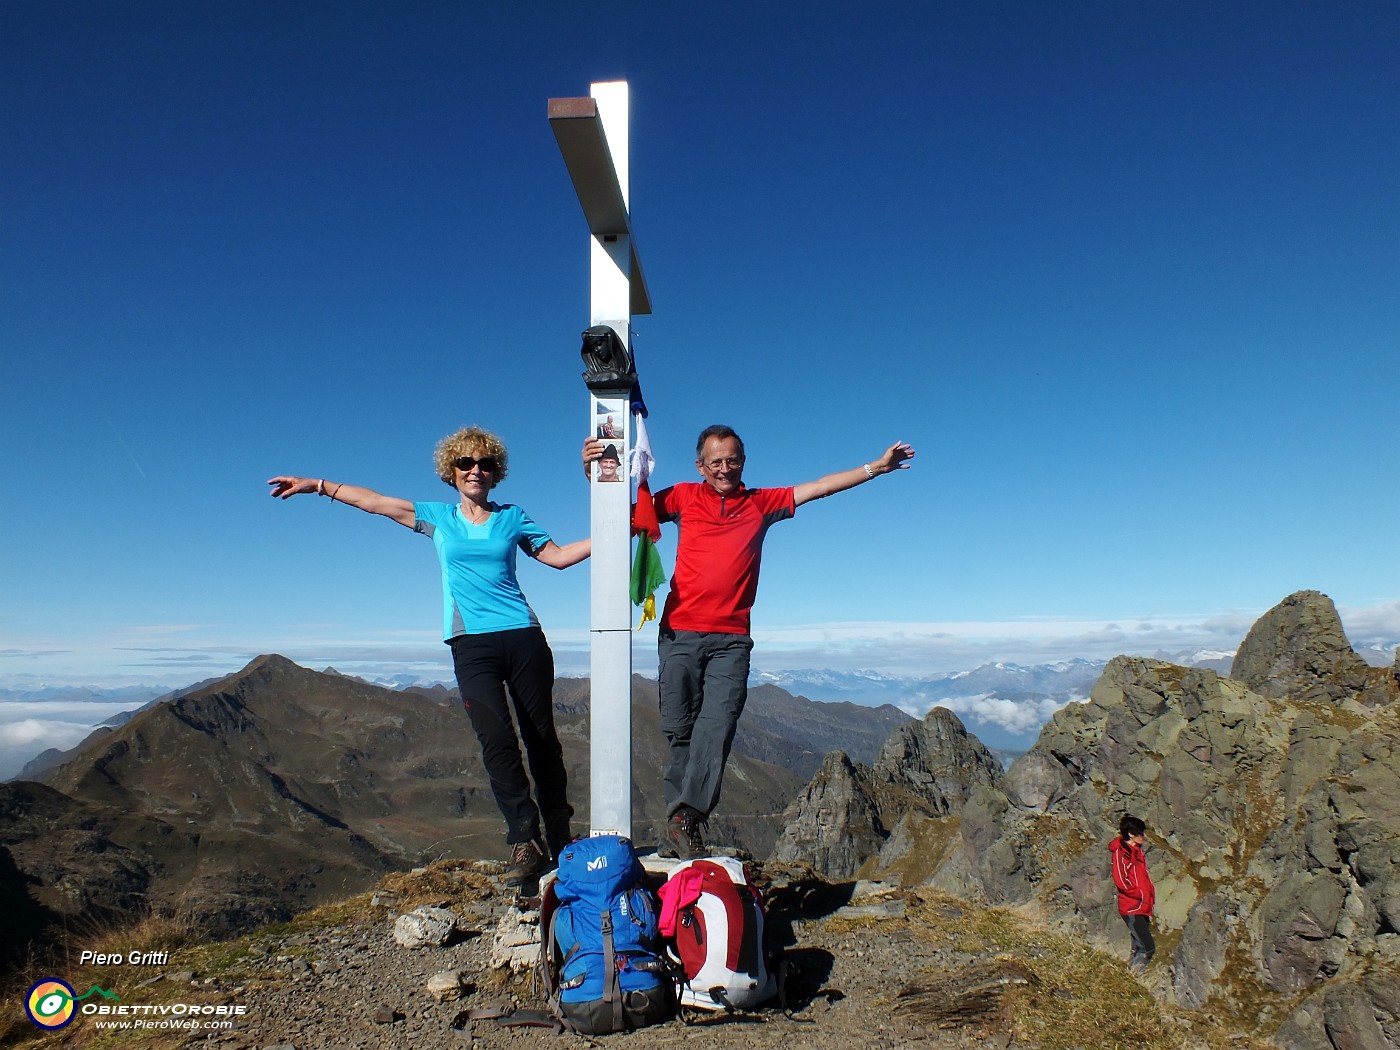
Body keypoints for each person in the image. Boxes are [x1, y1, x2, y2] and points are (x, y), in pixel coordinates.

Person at [269, 426, 589, 886]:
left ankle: (560, 833)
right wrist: (317, 485)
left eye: (485, 463)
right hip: (471, 644)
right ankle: (525, 839)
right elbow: (376, 502)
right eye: (465, 463)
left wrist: (614, 536)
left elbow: (557, 557)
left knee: (541, 738)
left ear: (496, 472)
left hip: (523, 637)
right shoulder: (438, 517)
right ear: (451, 472)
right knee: (496, 741)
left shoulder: (513, 516)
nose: (475, 470)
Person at [583, 425, 915, 857]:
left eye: (732, 460)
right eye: (715, 461)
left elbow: (817, 488)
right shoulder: (683, 496)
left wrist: (877, 468)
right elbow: (626, 515)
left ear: (743, 461)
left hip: (732, 639)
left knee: (717, 727)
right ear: (700, 466)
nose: (724, 468)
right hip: (679, 632)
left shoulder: (761, 502)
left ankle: (688, 816)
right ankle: (677, 823)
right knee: (678, 730)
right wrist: (593, 472)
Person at [1110, 814, 1156, 973]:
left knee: (1138, 946)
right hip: (1132, 907)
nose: (1144, 837)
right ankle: (1135, 977)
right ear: (1131, 834)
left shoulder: (1136, 851)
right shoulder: (1121, 852)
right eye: (1141, 833)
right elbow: (1121, 880)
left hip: (1141, 906)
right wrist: (1137, 894)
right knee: (1147, 948)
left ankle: (1128, 975)